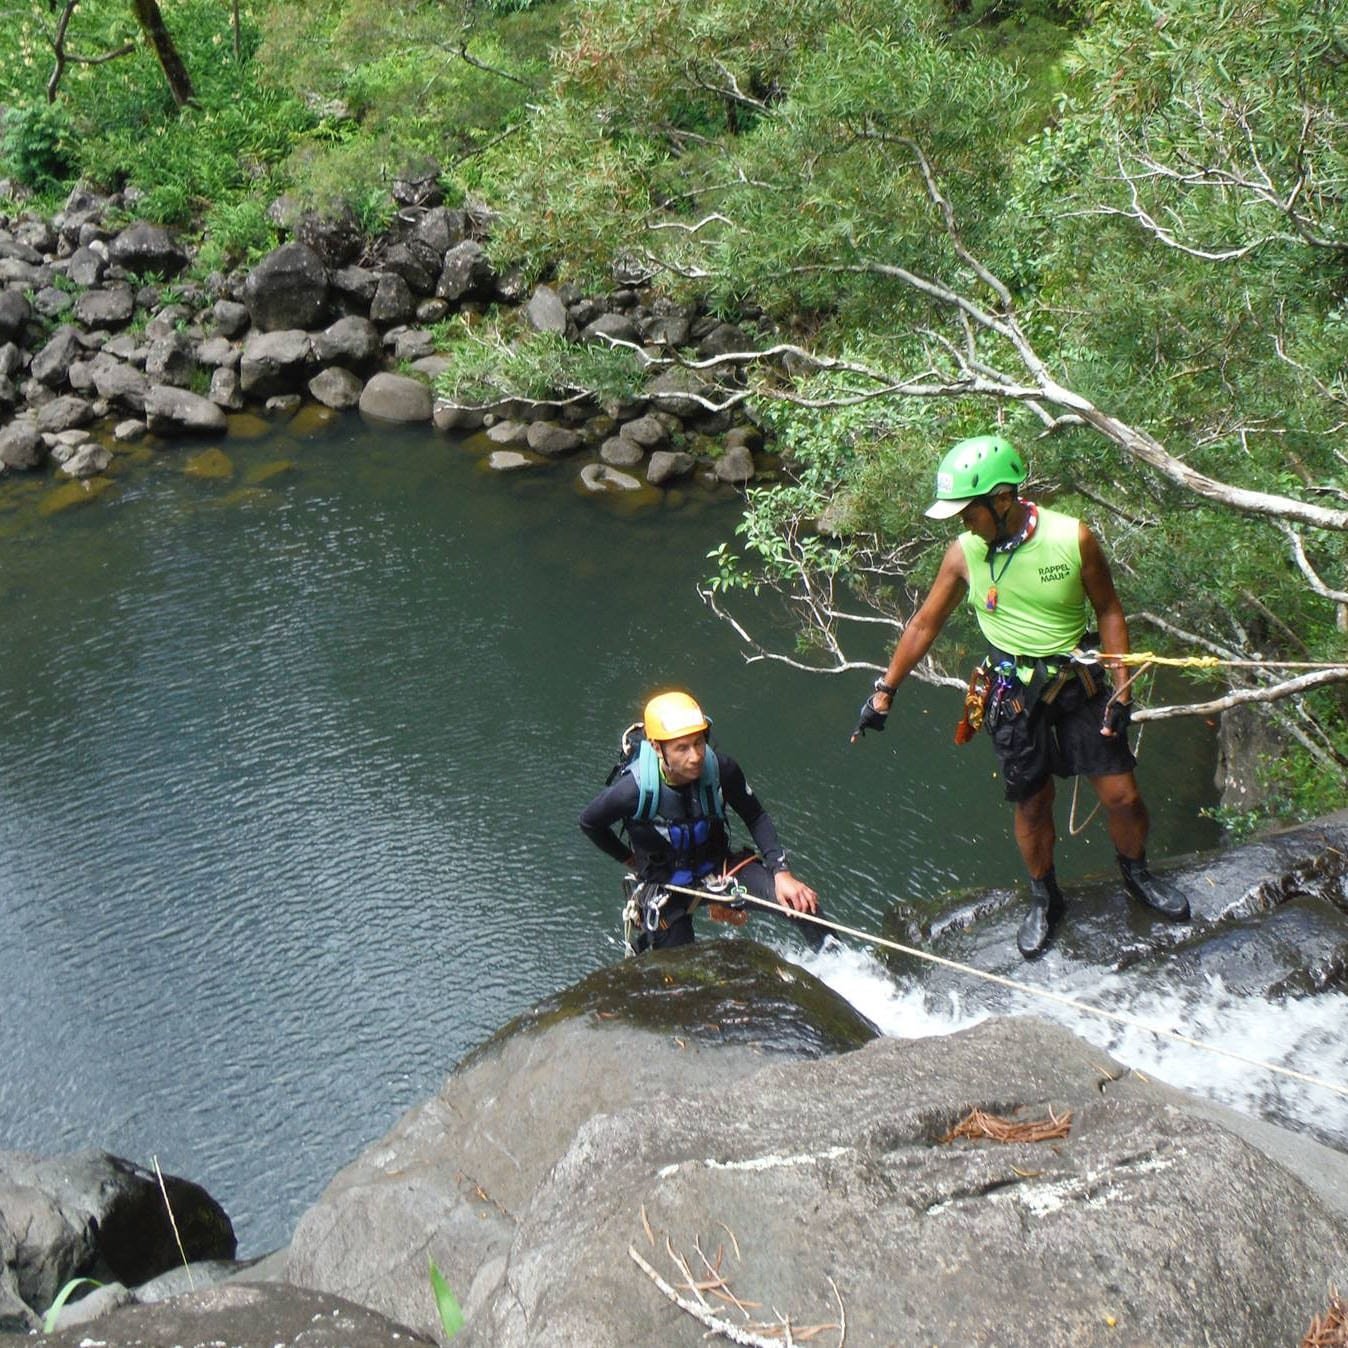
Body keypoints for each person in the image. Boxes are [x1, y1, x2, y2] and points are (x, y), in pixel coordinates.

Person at [851, 433, 1189, 959]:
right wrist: (884, 690)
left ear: (1002, 500)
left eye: (969, 512)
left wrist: (1122, 690)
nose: (963, 523)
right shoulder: (964, 553)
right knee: (1032, 803)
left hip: (1078, 682)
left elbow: (1109, 611)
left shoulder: (1071, 538)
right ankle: (1045, 897)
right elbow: (924, 624)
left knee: (1122, 795)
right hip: (1012, 692)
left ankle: (1137, 875)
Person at [581, 690, 824, 953]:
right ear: (656, 747)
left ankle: (842, 969)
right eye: (681, 748)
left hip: (718, 867)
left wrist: (781, 872)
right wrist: (630, 859)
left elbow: (755, 816)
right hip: (666, 882)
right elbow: (590, 823)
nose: (695, 756)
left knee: (803, 906)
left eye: (698, 743)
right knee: (681, 963)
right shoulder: (632, 791)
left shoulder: (721, 770)